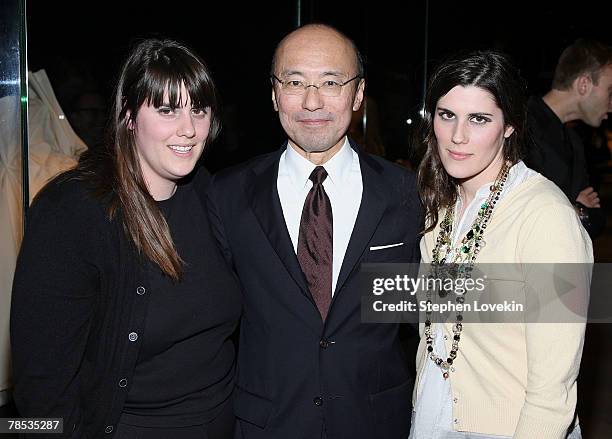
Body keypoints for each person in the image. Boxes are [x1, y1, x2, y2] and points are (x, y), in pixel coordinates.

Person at [10, 38, 241, 438]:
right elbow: (40, 383)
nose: (188, 129)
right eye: (167, 110)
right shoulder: (72, 211)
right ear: (130, 116)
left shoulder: (212, 197)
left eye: (198, 110)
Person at [206, 23, 422, 439]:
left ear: (358, 94)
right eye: (295, 82)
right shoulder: (226, 194)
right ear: (274, 93)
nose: (311, 101)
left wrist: (560, 292)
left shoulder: (405, 194)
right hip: (267, 425)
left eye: (330, 82)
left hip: (374, 423)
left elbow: (427, 304)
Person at [412, 50, 592, 438]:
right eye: (447, 116)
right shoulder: (440, 207)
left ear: (509, 126)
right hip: (435, 415)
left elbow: (553, 387)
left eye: (479, 119)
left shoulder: (545, 216)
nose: (458, 136)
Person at [526, 38, 612, 239]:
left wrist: (574, 208)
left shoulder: (574, 142)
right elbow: (520, 212)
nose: (611, 105)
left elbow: (597, 220)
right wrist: (573, 207)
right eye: (610, 91)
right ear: (584, 84)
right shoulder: (519, 126)